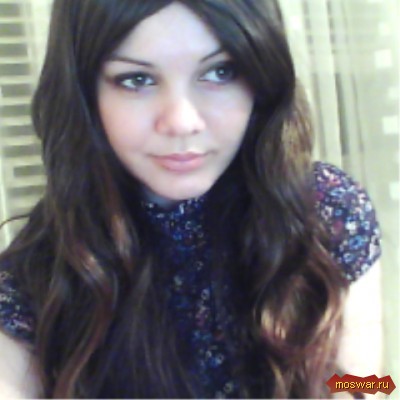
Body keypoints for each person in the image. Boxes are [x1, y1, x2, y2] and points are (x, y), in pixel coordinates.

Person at [0, 0, 381, 398]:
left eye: (221, 72)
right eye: (136, 79)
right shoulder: (36, 277)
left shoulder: (326, 211)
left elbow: (368, 384)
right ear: (85, 94)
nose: (182, 121)